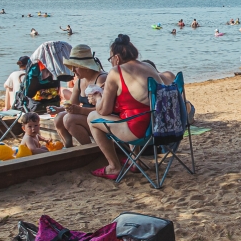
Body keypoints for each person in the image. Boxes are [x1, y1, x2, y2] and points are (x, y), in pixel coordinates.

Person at [87, 35, 165, 180]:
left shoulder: (116, 72)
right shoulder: (148, 67)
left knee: (92, 118)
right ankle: (134, 160)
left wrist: (97, 97)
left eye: (110, 59)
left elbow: (104, 110)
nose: (111, 63)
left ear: (116, 58)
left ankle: (113, 166)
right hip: (161, 129)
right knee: (129, 114)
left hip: (141, 132)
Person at [54, 45, 107, 147]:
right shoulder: (79, 81)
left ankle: (88, 149)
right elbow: (72, 104)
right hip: (86, 116)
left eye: (75, 66)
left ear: (86, 67)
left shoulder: (101, 79)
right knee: (59, 118)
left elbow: (106, 109)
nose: (73, 70)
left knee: (69, 119)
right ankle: (68, 145)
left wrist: (81, 111)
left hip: (100, 118)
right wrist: (58, 109)